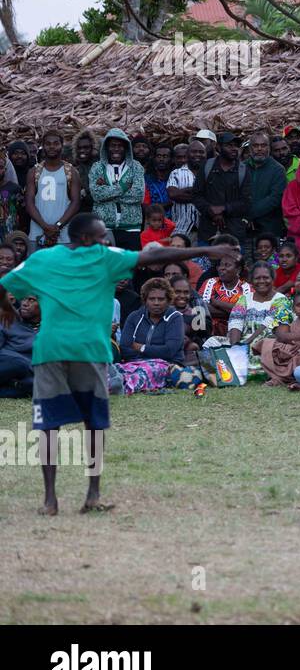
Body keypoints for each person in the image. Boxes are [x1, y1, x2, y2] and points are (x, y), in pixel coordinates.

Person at [0, 212, 237, 514]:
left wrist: (7, 307)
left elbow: (4, 283)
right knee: (94, 424)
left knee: (48, 425)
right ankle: (93, 496)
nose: (105, 240)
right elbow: (157, 254)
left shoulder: (42, 259)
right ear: (86, 240)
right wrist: (205, 250)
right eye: (101, 236)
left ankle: (49, 500)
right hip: (90, 351)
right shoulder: (102, 257)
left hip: (51, 351)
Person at [193, 131, 253, 255]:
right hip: (207, 232)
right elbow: (197, 195)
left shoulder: (243, 170)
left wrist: (223, 209)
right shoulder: (206, 166)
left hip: (234, 233)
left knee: (233, 269)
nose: (234, 149)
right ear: (219, 147)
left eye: (236, 146)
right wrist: (211, 211)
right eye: (229, 145)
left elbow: (246, 202)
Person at [88, 128, 146, 250]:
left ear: (126, 148)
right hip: (104, 227)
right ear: (106, 148)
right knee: (106, 265)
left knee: (130, 266)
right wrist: (123, 187)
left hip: (131, 227)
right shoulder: (97, 167)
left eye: (120, 146)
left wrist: (108, 191)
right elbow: (96, 194)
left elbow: (138, 195)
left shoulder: (136, 167)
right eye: (112, 145)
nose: (116, 149)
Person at [27, 130, 80, 249]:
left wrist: (57, 226)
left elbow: (76, 203)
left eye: (56, 143)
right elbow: (29, 203)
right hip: (37, 234)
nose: (52, 147)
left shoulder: (71, 172)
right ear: (43, 146)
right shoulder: (34, 172)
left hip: (64, 236)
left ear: (62, 145)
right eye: (48, 143)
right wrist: (45, 226)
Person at [118, 277, 186, 365]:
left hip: (167, 365)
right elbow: (124, 348)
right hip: (135, 363)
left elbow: (169, 351)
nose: (156, 303)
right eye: (152, 299)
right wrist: (151, 354)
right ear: (145, 300)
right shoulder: (134, 317)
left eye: (161, 299)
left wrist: (142, 347)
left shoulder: (175, 318)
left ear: (168, 301)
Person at [246, 132, 287, 240]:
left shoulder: (278, 170)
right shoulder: (241, 167)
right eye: (255, 146)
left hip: (270, 231)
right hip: (244, 230)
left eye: (263, 145)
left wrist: (249, 214)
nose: (259, 149)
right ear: (250, 148)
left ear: (269, 148)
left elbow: (275, 199)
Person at [0, 294, 38, 394]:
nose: (25, 304)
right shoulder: (6, 318)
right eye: (24, 299)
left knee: (34, 384)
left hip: (28, 372)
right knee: (19, 364)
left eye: (31, 300)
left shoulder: (51, 327)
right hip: (7, 363)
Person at [165, 139, 203, 238]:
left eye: (200, 152)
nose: (197, 155)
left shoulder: (208, 172)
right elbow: (173, 194)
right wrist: (201, 196)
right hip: (181, 229)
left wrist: (186, 192)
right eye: (194, 152)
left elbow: (214, 196)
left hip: (204, 230)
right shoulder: (176, 173)